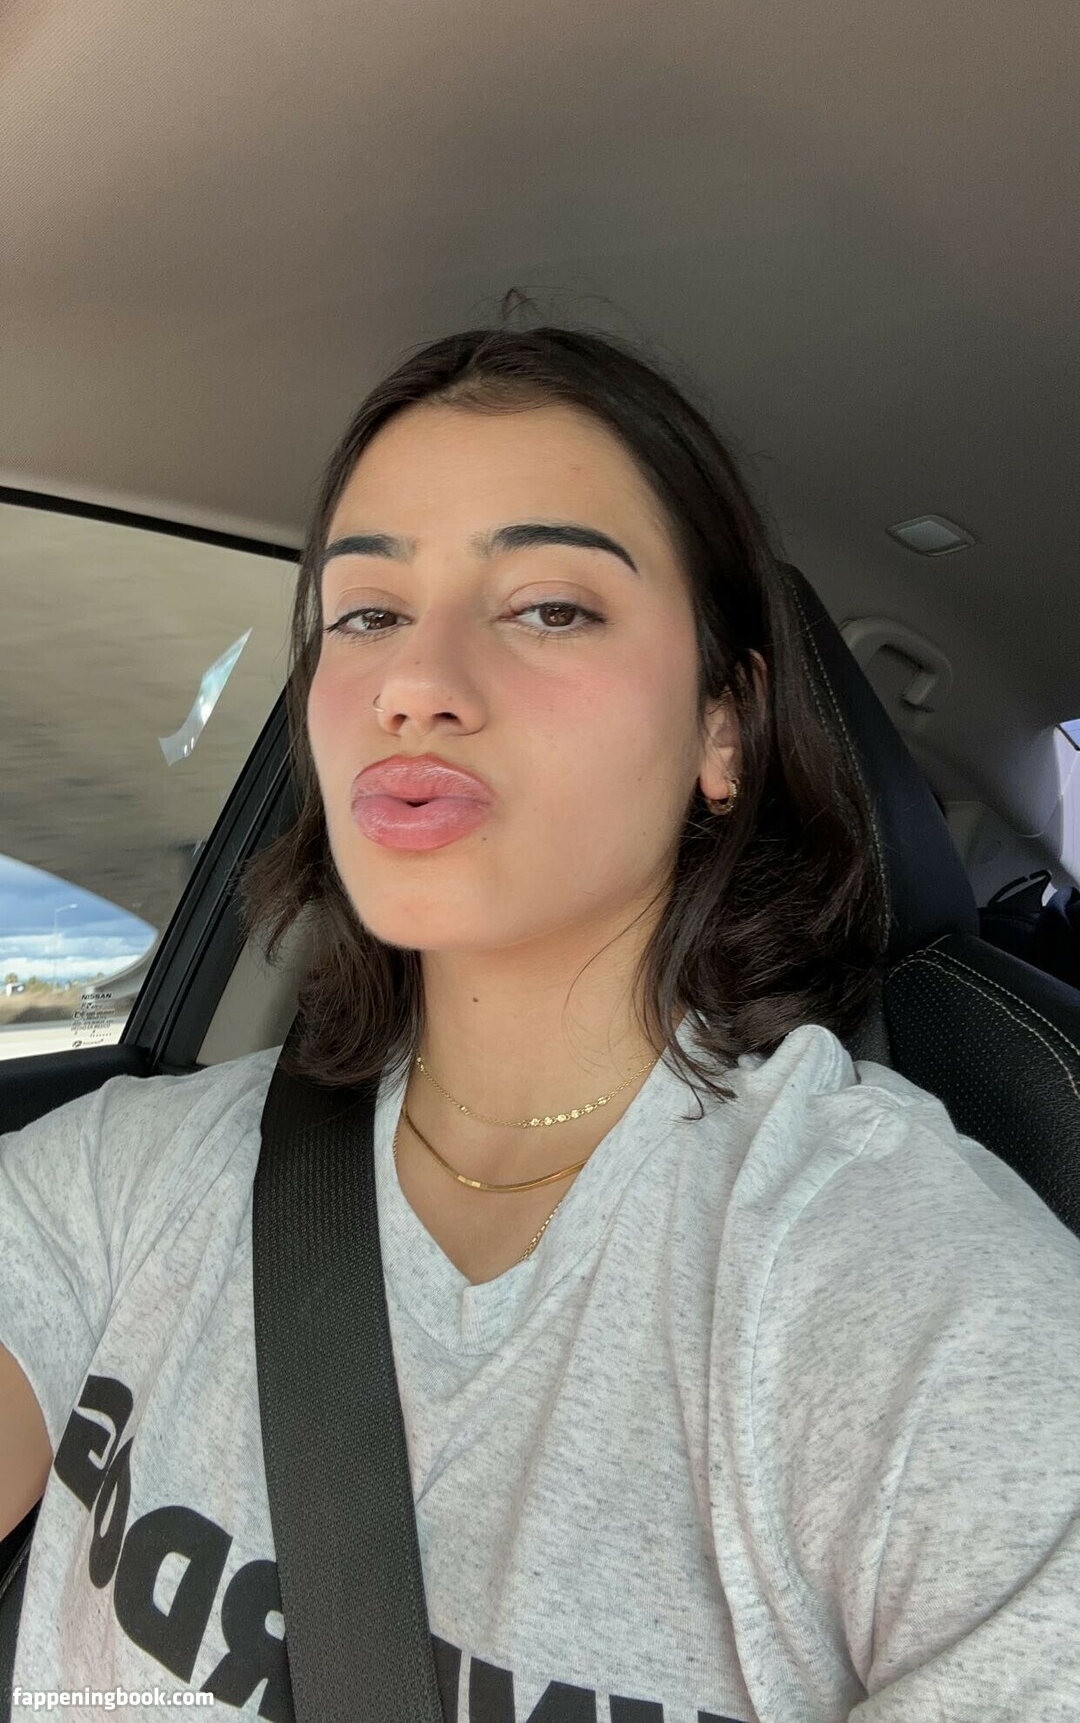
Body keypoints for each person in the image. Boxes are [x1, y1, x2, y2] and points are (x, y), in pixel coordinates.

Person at [1, 297, 1078, 1721]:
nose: (415, 683)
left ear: (723, 727)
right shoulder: (129, 1174)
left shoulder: (919, 1306)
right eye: (366, 613)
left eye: (551, 607)